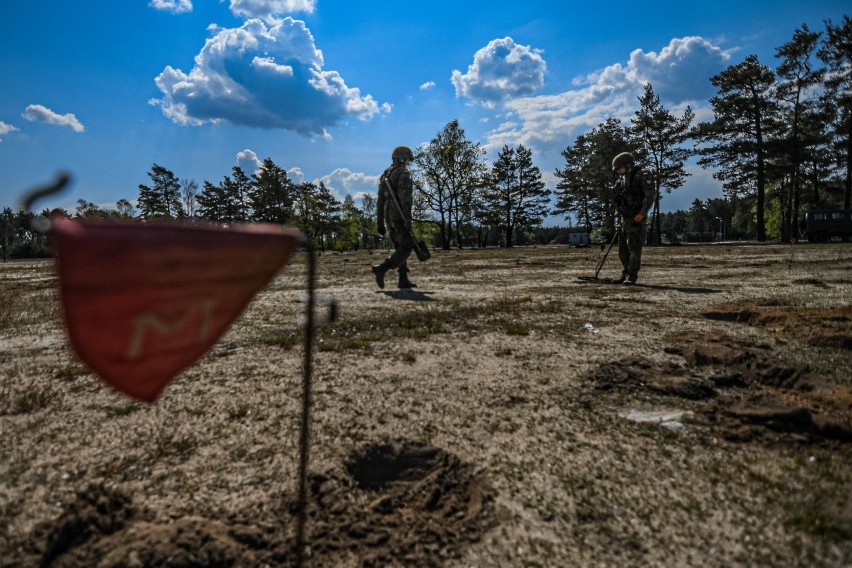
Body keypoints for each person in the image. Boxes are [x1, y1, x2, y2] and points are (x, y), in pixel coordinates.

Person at [372, 146, 417, 289]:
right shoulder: (402, 174)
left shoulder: (385, 175)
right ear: (402, 159)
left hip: (388, 217)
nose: (408, 163)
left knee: (399, 246)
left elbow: (380, 201)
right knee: (407, 246)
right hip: (399, 216)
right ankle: (382, 268)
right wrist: (408, 219)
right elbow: (405, 199)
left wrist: (380, 222)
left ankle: (403, 279)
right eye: (407, 160)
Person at [611, 151, 654, 285]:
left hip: (636, 219)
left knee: (634, 248)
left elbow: (650, 196)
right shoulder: (622, 180)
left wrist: (641, 214)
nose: (618, 171)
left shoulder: (643, 174)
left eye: (619, 168)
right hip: (625, 218)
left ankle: (632, 276)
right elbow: (617, 199)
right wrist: (617, 216)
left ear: (627, 164)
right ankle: (625, 273)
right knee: (622, 251)